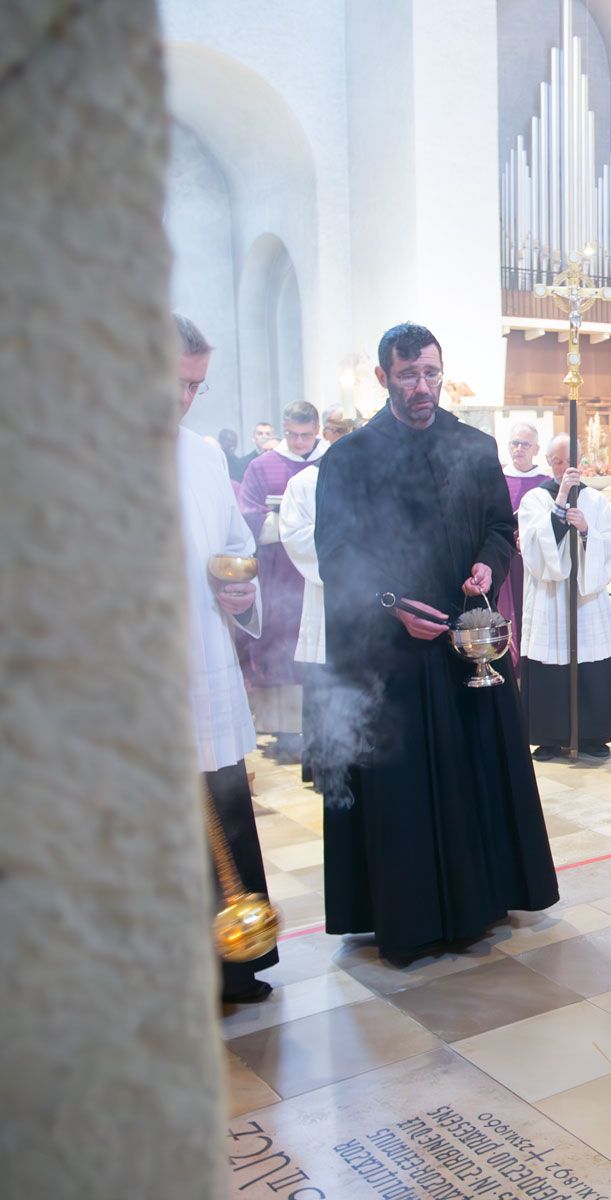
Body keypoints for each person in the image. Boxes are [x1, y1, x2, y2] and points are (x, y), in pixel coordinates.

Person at [315, 322, 557, 962]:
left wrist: (488, 565)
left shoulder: (473, 447)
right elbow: (336, 555)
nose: (422, 387)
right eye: (408, 376)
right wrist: (391, 605)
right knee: (406, 789)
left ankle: (481, 901)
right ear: (383, 377)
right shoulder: (349, 459)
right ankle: (412, 916)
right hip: (390, 656)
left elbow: (500, 527)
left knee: (471, 773)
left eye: (430, 373)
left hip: (464, 646)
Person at [173, 315, 279, 1002]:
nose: (184, 399)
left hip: (204, 662)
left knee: (222, 805)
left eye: (196, 386)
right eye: (175, 383)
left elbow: (236, 547)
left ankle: (233, 968)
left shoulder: (204, 456)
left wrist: (241, 591)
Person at [517, 434, 611, 760]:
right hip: (550, 595)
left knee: (588, 660)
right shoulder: (535, 498)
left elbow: (610, 541)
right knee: (550, 661)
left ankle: (592, 735)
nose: (562, 468)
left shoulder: (595, 500)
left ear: (579, 461)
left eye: (567, 461)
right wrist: (561, 505)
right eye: (556, 461)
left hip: (584, 598)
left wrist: (588, 531)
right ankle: (548, 736)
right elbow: (534, 547)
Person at [236, 401, 325, 763]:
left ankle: (323, 730)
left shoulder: (333, 461)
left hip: (322, 576)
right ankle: (286, 732)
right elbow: (247, 515)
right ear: (284, 428)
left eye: (306, 435)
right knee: (281, 647)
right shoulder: (262, 466)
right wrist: (289, 522)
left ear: (317, 431)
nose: (299, 442)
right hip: (279, 576)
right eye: (292, 434)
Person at [279, 406, 356, 784]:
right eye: (336, 431)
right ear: (326, 433)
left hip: (370, 598)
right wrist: (346, 558)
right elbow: (295, 535)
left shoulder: (370, 477)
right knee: (326, 678)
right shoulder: (305, 482)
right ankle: (326, 765)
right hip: (326, 597)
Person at [499, 422, 550, 672]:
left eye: (525, 444)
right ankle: (510, 663)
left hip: (537, 561)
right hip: (506, 559)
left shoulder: (546, 483)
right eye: (515, 443)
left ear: (536, 449)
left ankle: (533, 665)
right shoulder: (499, 479)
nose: (519, 448)